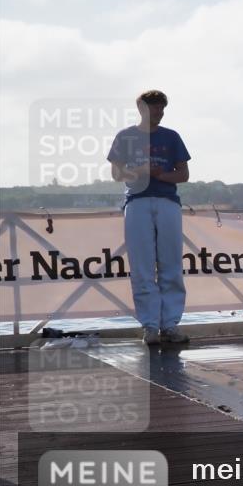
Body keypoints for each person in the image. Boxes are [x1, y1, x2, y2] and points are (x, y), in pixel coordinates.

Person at [107, 90, 191, 346]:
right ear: (142, 108)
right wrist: (142, 172)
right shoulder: (126, 136)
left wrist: (160, 175)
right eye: (155, 108)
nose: (159, 113)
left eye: (162, 108)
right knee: (142, 267)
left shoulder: (171, 136)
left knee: (171, 265)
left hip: (167, 202)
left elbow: (183, 174)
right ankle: (150, 326)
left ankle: (171, 325)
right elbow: (116, 173)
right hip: (137, 202)